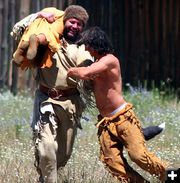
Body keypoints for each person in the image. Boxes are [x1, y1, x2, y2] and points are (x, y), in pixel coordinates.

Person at [67, 26, 168, 182]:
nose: (85, 48)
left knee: (138, 155)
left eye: (87, 44)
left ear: (95, 44)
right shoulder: (96, 62)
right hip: (106, 123)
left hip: (123, 119)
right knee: (112, 162)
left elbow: (85, 73)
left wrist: (67, 70)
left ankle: (169, 176)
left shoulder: (110, 60)